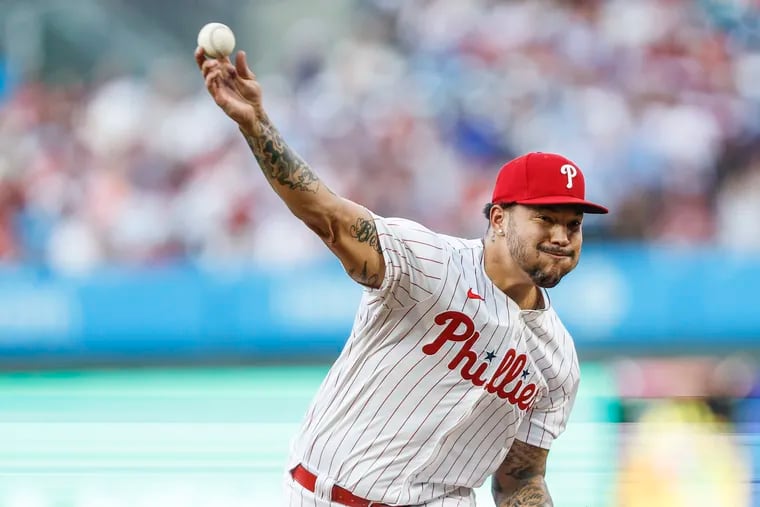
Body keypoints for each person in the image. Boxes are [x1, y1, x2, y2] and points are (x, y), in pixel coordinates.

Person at [195, 47, 608, 507]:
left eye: (573, 224)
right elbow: (328, 216)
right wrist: (256, 126)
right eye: (545, 218)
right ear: (497, 219)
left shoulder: (558, 361)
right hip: (322, 496)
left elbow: (520, 478)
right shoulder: (428, 262)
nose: (562, 235)